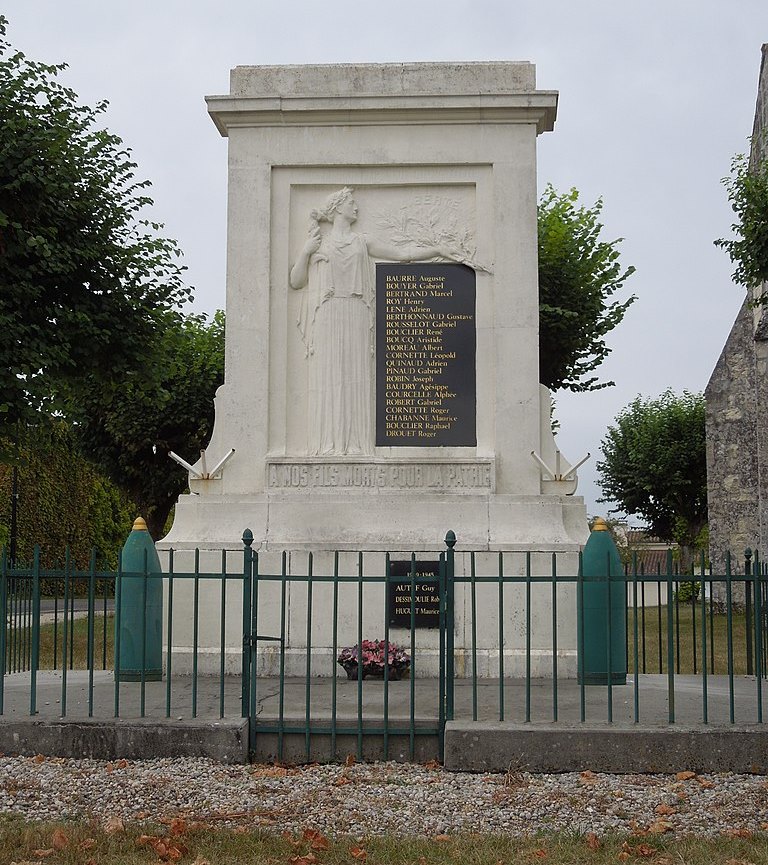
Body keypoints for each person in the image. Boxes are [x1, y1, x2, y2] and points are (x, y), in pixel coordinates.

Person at [290, 187, 458, 456]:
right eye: (351, 203)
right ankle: (327, 445)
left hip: (356, 312)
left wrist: (438, 249)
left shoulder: (362, 242)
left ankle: (356, 444)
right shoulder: (318, 242)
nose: (356, 207)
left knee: (356, 376)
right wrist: (306, 253)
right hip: (328, 314)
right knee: (329, 377)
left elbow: (403, 254)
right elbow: (296, 281)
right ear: (337, 209)